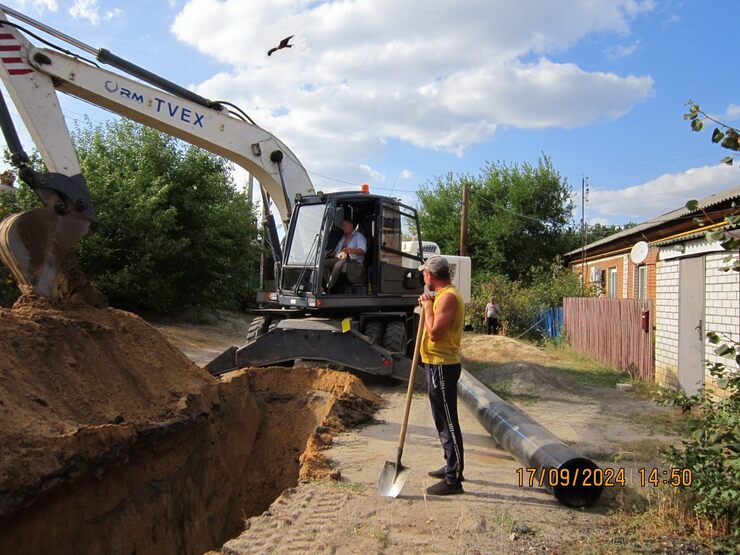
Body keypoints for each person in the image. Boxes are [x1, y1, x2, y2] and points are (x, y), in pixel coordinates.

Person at [418, 255, 465, 496]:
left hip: (442, 365)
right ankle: (450, 464)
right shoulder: (442, 296)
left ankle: (454, 478)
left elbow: (435, 333)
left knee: (448, 421)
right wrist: (429, 305)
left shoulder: (448, 297)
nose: (423, 277)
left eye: (424, 273)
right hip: (434, 364)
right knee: (441, 420)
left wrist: (426, 307)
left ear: (431, 275)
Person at [324, 219, 366, 290]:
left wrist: (350, 250)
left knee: (339, 264)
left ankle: (328, 288)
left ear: (351, 225)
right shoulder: (343, 238)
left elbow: (362, 250)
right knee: (322, 263)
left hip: (353, 263)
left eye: (344, 226)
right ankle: (327, 282)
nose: (342, 228)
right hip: (339, 259)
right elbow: (337, 252)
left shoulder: (359, 236)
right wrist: (327, 253)